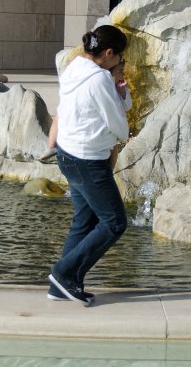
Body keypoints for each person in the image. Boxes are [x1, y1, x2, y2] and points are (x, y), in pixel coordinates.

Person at [47, 25, 130, 306]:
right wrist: (122, 131)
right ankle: (63, 274)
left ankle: (61, 287)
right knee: (115, 222)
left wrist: (119, 93)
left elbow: (108, 107)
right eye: (119, 57)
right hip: (88, 160)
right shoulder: (98, 80)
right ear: (108, 53)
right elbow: (118, 122)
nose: (120, 63)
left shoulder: (75, 68)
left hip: (67, 154)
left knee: (85, 221)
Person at [41, 55, 132, 164]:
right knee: (58, 115)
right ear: (109, 72)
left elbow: (127, 106)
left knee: (113, 146)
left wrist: (123, 93)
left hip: (94, 136)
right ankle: (51, 148)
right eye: (120, 72)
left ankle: (110, 173)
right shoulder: (100, 82)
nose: (123, 75)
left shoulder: (116, 87)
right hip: (86, 137)